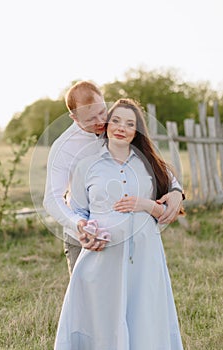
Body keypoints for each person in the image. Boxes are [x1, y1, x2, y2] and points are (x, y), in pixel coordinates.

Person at [54, 98, 184, 349]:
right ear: (106, 125)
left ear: (137, 130)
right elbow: (78, 209)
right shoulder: (87, 165)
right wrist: (83, 229)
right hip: (103, 255)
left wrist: (147, 205)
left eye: (129, 123)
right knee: (103, 318)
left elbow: (172, 198)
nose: (121, 127)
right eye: (115, 120)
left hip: (146, 255)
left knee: (144, 315)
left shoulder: (150, 164)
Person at [43, 81, 184, 276]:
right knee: (87, 300)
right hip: (84, 236)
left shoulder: (116, 125)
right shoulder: (63, 149)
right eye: (91, 118)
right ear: (74, 117)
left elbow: (149, 158)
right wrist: (79, 225)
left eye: (102, 111)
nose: (101, 121)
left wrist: (176, 191)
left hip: (128, 236)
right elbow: (51, 198)